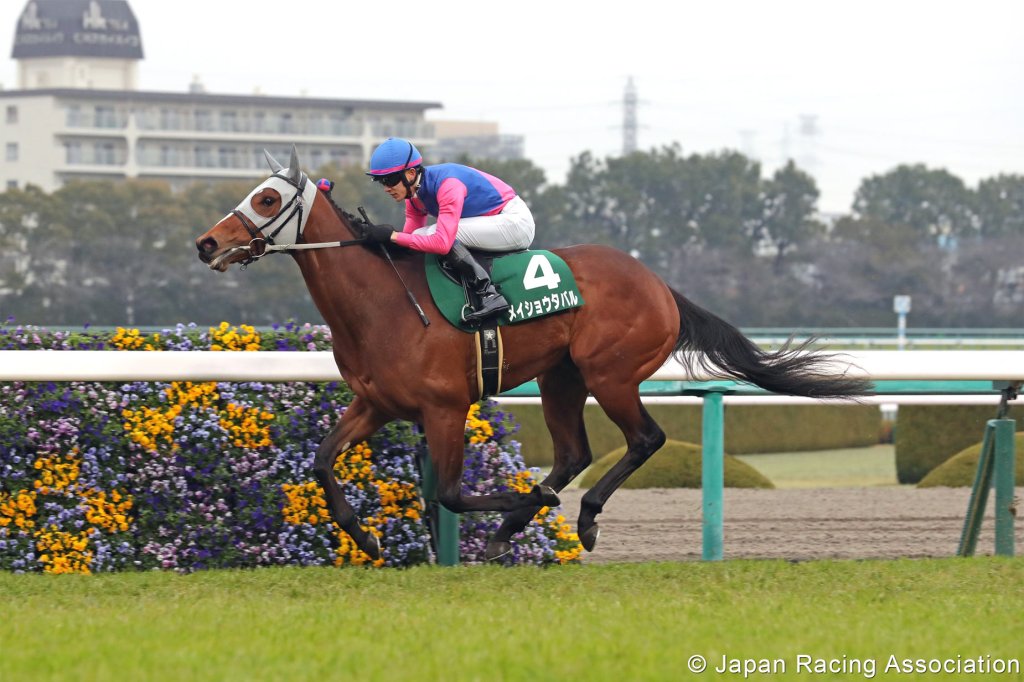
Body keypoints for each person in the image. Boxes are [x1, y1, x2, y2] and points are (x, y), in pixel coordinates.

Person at [364, 137, 535, 323]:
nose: (386, 188)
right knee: (418, 236)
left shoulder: (448, 185)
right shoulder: (414, 196)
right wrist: (382, 241)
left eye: (390, 180)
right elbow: (409, 240)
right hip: (495, 222)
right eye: (381, 182)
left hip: (516, 222)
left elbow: (442, 244)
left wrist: (393, 236)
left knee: (433, 234)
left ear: (411, 174)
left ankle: (489, 294)